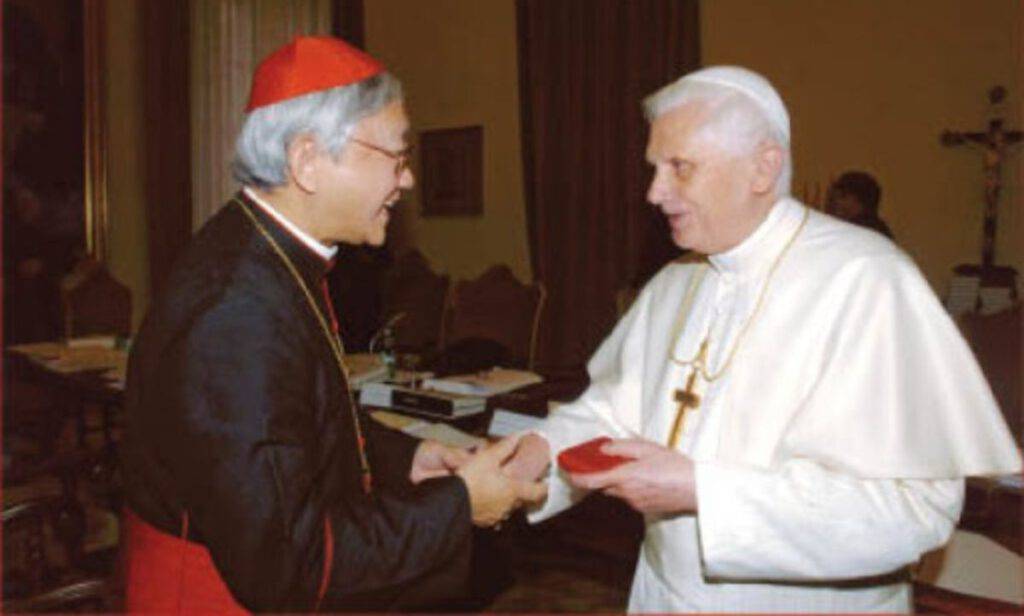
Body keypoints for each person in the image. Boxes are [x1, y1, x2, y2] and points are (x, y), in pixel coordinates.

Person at [504, 66, 1022, 612]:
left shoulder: (868, 280)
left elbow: (915, 511)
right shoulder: (675, 281)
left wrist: (705, 491)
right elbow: (612, 413)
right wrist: (538, 450)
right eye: (654, 169)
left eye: (680, 168)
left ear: (763, 167)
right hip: (662, 597)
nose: (654, 193)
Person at [121, 36, 544, 613]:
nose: (408, 180)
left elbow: (292, 429)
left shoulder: (265, 254)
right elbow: (289, 561)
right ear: (307, 160)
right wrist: (458, 506)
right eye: (396, 156)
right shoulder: (239, 312)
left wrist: (406, 459)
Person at [825, 170, 895, 238]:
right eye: (831, 198)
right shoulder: (878, 229)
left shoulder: (861, 231)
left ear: (861, 201)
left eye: (843, 196)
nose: (836, 202)